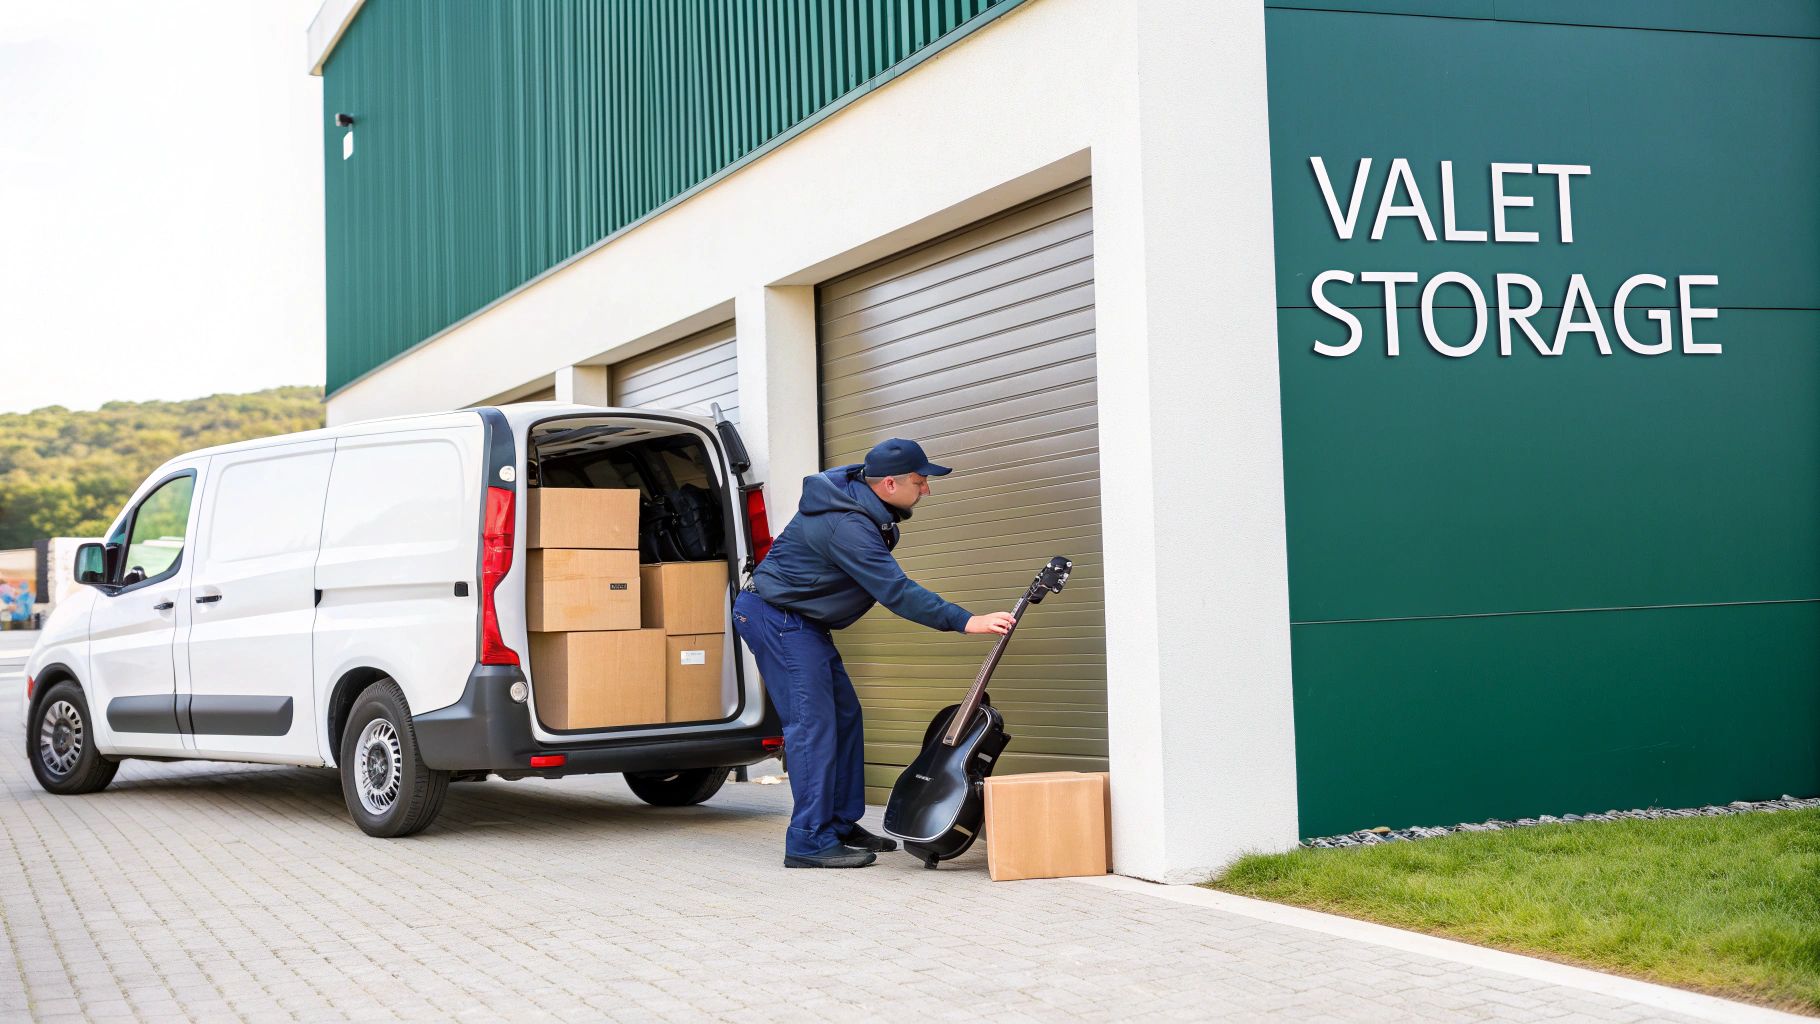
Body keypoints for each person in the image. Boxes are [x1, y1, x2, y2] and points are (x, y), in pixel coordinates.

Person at [735, 438, 1016, 868]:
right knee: (813, 726)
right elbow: (895, 591)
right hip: (778, 618)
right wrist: (965, 620)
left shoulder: (866, 506)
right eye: (920, 482)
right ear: (888, 483)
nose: (927, 490)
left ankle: (840, 824)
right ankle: (808, 840)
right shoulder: (847, 524)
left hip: (801, 621)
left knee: (845, 717)